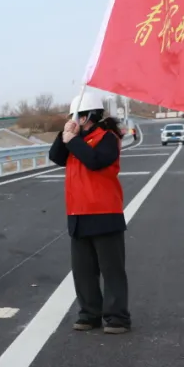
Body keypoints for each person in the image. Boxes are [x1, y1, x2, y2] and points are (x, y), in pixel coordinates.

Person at [49, 91, 131, 334]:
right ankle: (89, 314)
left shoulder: (107, 137)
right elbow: (55, 156)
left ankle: (117, 317)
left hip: (104, 213)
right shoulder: (74, 139)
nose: (75, 120)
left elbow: (95, 161)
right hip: (77, 214)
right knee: (83, 271)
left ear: (88, 116)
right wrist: (63, 135)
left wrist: (73, 141)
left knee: (111, 270)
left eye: (78, 116)